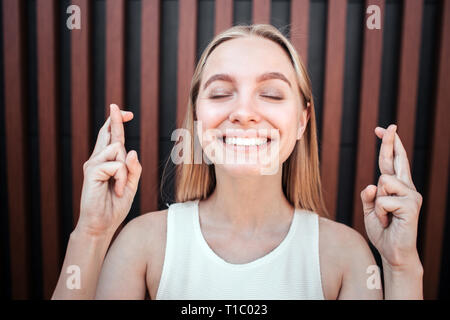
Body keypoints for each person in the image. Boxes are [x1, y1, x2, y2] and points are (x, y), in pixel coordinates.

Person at [52, 24, 423, 300]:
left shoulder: (345, 256)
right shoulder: (144, 244)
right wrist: (92, 234)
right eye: (221, 93)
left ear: (301, 120)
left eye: (272, 94)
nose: (244, 112)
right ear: (197, 116)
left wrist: (401, 264)